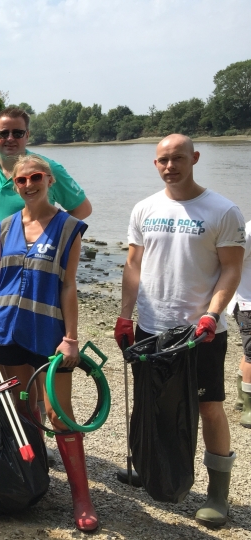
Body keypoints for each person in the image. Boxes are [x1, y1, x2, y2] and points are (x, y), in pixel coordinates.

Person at [0, 106, 92, 463]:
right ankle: (25, 447)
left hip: (40, 285)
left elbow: (82, 209)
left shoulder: (48, 168)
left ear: (28, 135)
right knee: (9, 374)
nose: (10, 139)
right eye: (3, 133)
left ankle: (40, 436)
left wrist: (49, 240)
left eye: (18, 133)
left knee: (43, 373)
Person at [115, 134, 245, 528]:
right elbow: (133, 265)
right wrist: (124, 315)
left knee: (208, 407)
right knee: (148, 401)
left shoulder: (223, 210)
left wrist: (212, 314)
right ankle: (150, 468)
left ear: (195, 158)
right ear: (155, 163)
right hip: (151, 327)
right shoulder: (144, 208)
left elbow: (232, 269)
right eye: (163, 160)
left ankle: (217, 494)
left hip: (200, 332)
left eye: (177, 159)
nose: (170, 166)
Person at [0, 154, 95, 531]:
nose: (29, 185)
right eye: (22, 180)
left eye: (36, 177)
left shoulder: (69, 226)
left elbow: (68, 286)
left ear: (50, 180)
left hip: (48, 334)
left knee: (60, 413)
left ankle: (81, 497)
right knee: (21, 405)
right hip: (8, 331)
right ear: (15, 186)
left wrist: (71, 339)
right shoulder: (3, 227)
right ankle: (32, 476)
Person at [230, 220, 251, 428]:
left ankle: (240, 399)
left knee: (248, 352)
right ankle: (248, 408)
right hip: (247, 304)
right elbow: (233, 263)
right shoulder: (249, 231)